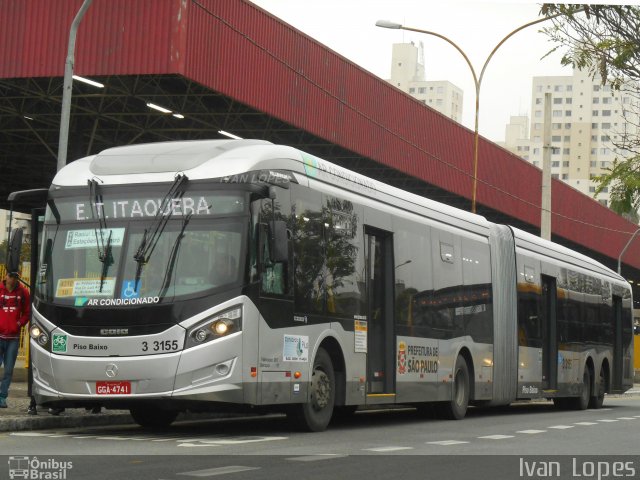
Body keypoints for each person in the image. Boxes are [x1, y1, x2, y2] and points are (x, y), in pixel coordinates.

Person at [0, 270, 30, 408]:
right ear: (6, 276)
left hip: (13, 338)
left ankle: (2, 397)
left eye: (15, 277)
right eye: (11, 276)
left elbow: (28, 312)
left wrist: (19, 324)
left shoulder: (23, 292)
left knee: (8, 370)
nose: (12, 280)